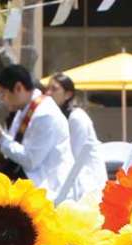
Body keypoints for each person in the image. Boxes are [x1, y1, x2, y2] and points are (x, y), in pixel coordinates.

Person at [0, 64, 72, 198]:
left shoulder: (45, 114)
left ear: (18, 88)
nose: (1, 99)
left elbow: (31, 160)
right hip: (29, 183)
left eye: (3, 93)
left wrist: (1, 139)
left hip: (48, 189)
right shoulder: (25, 110)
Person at [45, 73, 108, 201]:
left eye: (54, 89)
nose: (48, 93)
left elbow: (77, 157)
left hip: (88, 184)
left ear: (68, 94)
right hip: (72, 181)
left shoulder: (76, 118)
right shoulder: (57, 118)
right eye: (47, 89)